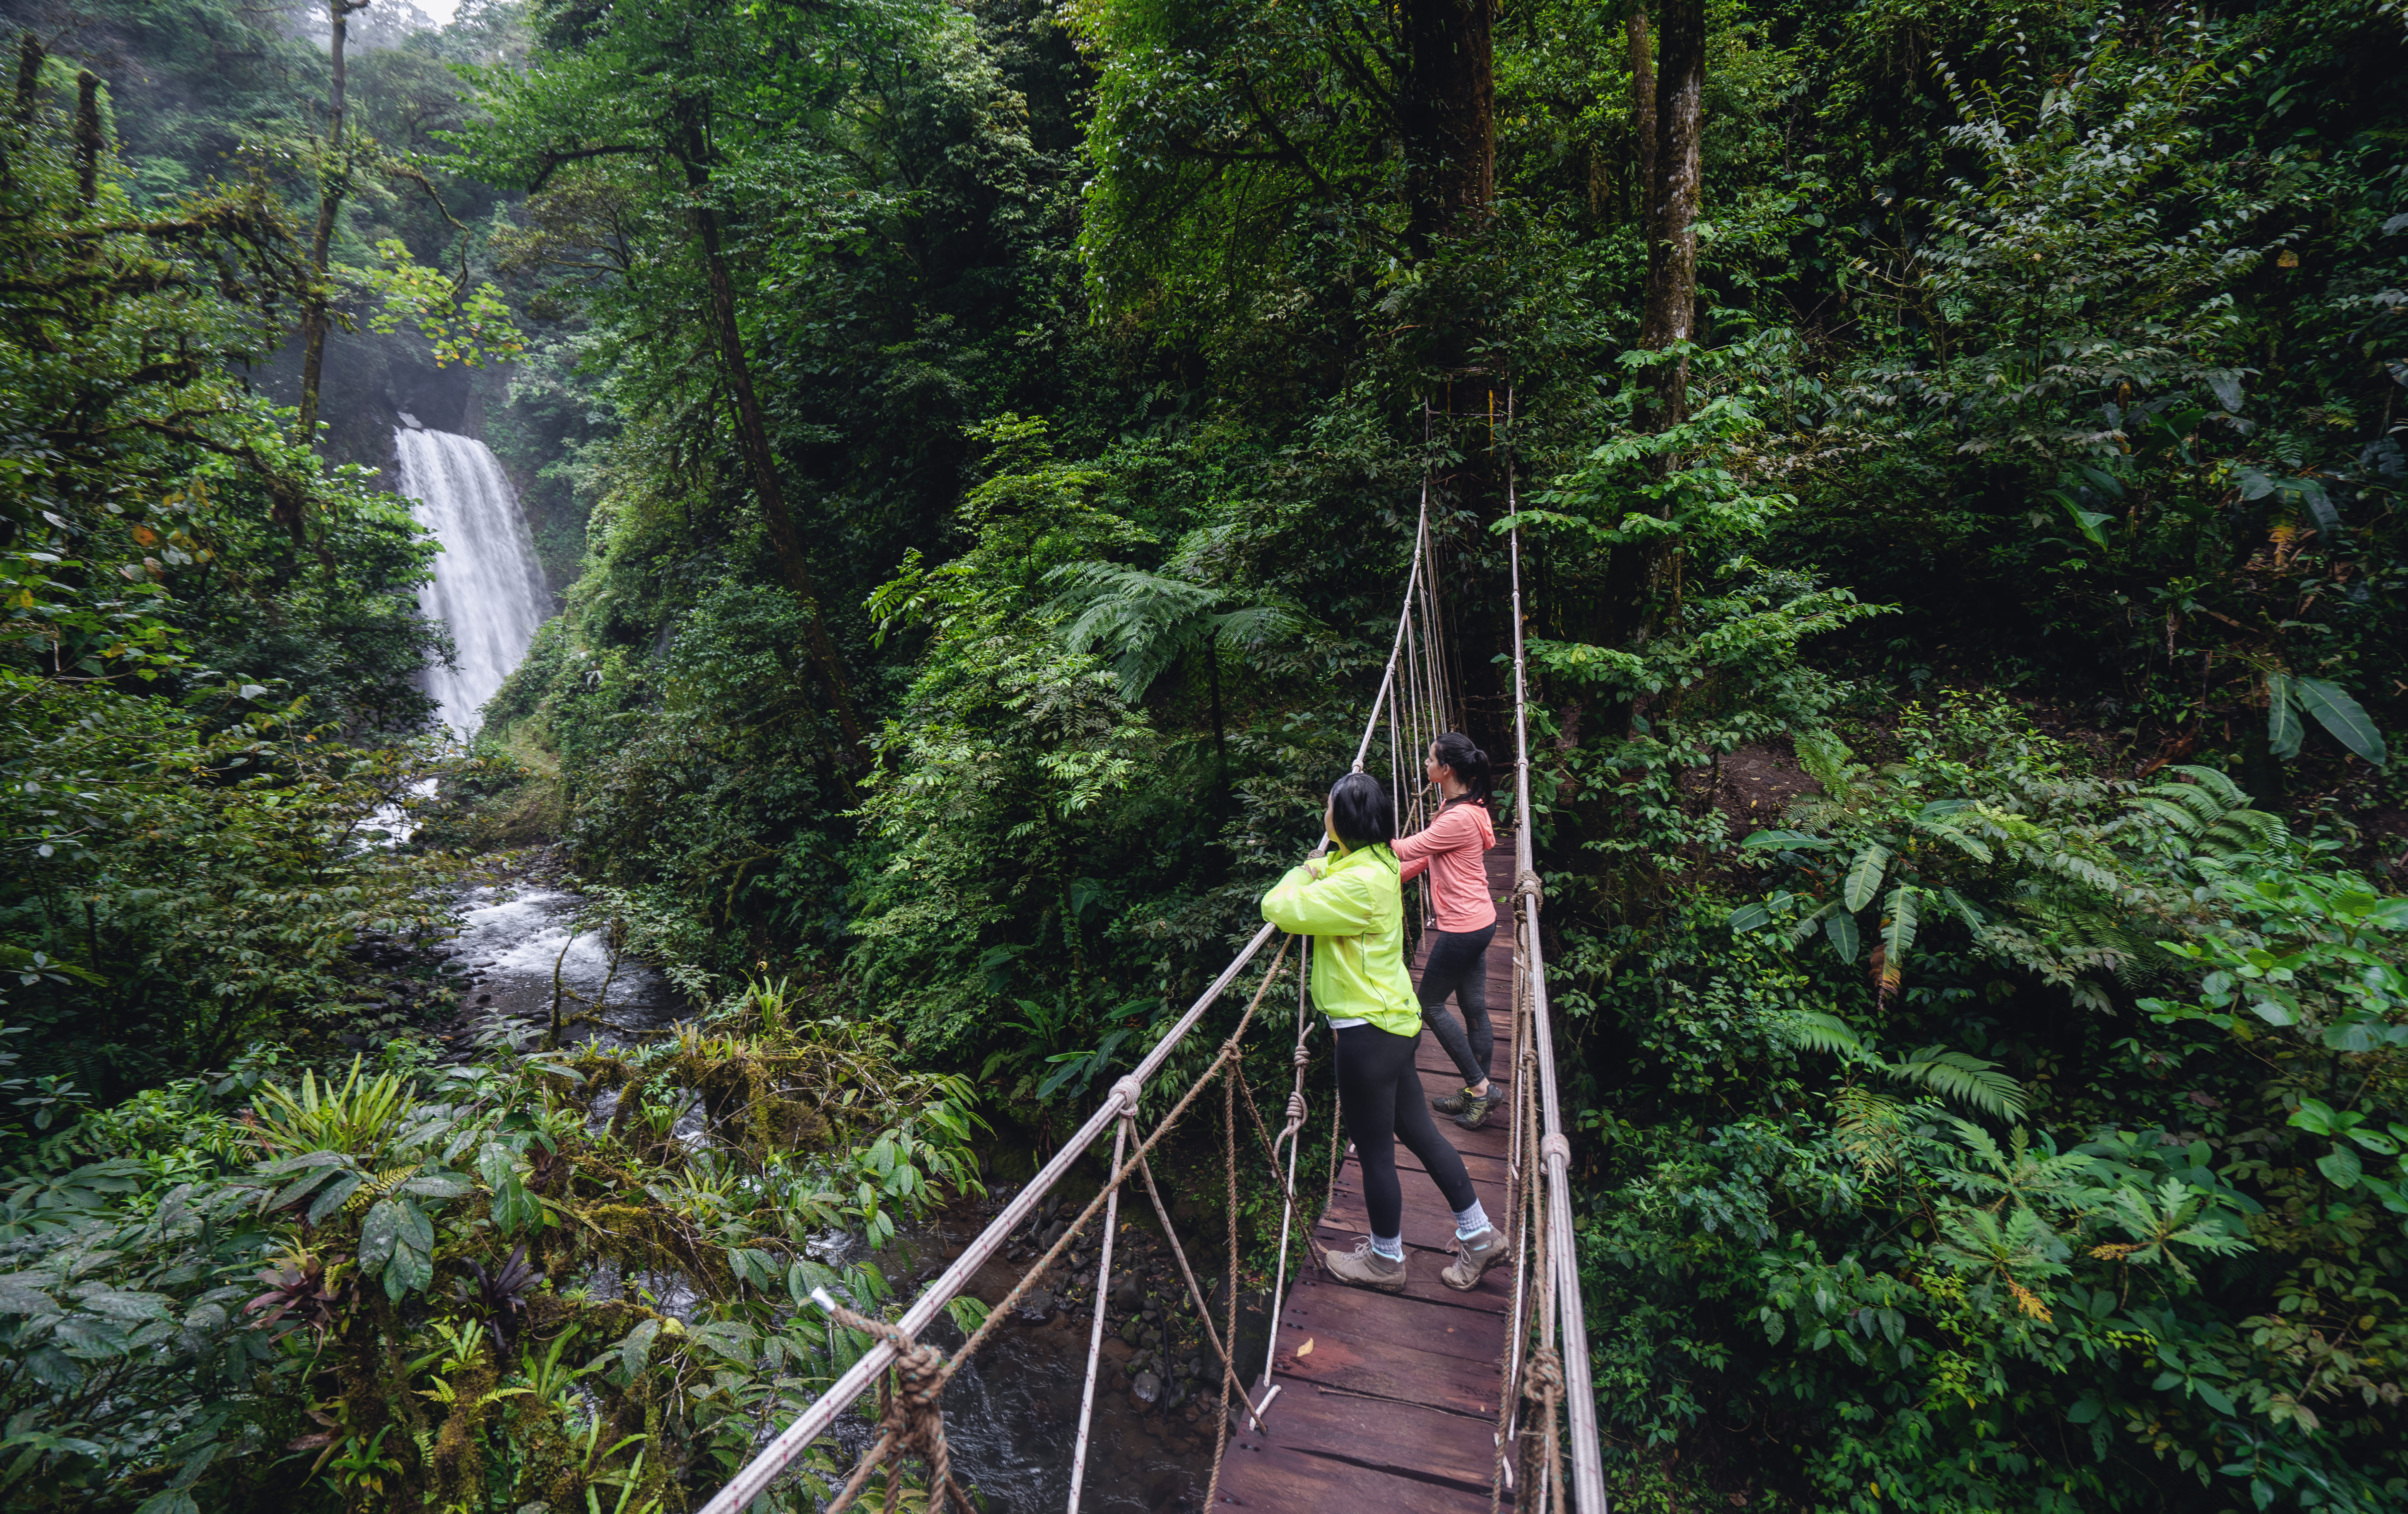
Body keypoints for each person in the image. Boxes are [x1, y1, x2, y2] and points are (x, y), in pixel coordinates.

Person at [1261, 770, 1509, 1293]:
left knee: (1374, 1150)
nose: (1324, 813)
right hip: (1394, 1024)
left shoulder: (1353, 885)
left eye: (1329, 807)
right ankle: (1480, 1233)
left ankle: (1385, 1260)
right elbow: (1339, 865)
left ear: (1340, 821)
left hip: (1367, 1034)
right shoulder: (1376, 861)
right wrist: (1323, 862)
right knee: (1419, 1133)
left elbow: (1278, 908)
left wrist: (1301, 872)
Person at [1391, 732, 1499, 1129]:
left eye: (1430, 758)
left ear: (1446, 768)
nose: (1425, 763)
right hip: (1481, 919)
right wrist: (1392, 880)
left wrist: (1350, 839)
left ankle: (1481, 1087)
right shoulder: (1465, 805)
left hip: (1463, 928)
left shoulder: (1456, 817)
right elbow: (1424, 857)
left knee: (1430, 1006)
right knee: (1473, 1009)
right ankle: (1477, 1092)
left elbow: (1405, 848)